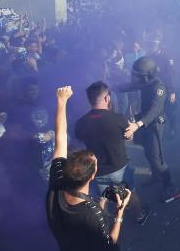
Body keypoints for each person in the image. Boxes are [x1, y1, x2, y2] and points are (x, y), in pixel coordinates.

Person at [46, 86, 132, 251]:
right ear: (92, 175)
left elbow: (60, 138)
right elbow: (110, 242)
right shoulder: (92, 213)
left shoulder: (56, 186)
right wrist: (119, 214)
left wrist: (61, 101)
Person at [75, 81, 149, 225]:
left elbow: (78, 141)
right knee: (129, 193)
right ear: (107, 98)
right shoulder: (117, 118)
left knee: (102, 198)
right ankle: (140, 216)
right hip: (119, 167)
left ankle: (102, 229)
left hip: (97, 170)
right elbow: (130, 136)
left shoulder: (81, 123)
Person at [117, 56, 178, 201]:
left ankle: (170, 186)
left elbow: (155, 110)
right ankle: (156, 176)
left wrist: (137, 125)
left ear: (146, 76)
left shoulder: (159, 87)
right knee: (148, 151)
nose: (134, 78)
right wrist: (109, 86)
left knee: (157, 159)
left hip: (154, 125)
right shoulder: (144, 82)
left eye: (137, 75)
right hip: (144, 123)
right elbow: (129, 86)